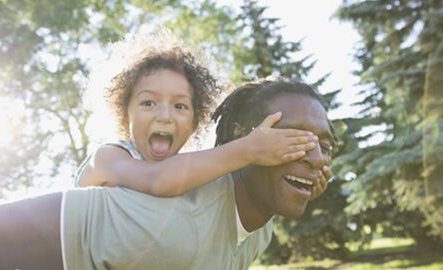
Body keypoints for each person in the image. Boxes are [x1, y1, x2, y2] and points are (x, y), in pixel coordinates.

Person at [0, 78, 335, 270]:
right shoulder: (172, 222)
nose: (318, 158)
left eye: (324, 145)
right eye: (294, 139)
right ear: (241, 136)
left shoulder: (260, 230)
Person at [74, 28, 319, 196]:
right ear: (125, 115)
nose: (164, 116)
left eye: (180, 106)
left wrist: (299, 183)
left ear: (193, 124)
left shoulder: (189, 175)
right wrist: (249, 148)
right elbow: (156, 180)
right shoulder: (107, 158)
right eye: (148, 103)